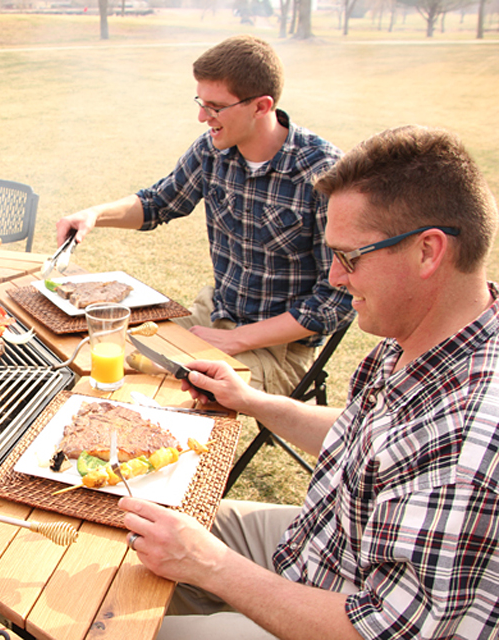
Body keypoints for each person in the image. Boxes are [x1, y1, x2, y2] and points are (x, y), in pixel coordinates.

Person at [120, 125, 499, 640]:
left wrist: (211, 567)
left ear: (428, 251)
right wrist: (252, 401)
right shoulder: (435, 331)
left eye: (349, 257)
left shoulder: (469, 441)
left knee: (125, 625)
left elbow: (384, 631)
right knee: (144, 528)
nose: (337, 279)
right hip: (326, 543)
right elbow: (365, 437)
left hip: (351, 618)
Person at [56, 35, 353, 396]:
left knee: (170, 391)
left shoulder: (323, 172)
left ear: (261, 106)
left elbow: (337, 300)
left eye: (215, 107)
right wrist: (93, 215)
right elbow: (158, 203)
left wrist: (239, 340)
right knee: (105, 354)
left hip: (280, 347)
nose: (202, 117)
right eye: (201, 103)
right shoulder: (213, 151)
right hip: (212, 313)